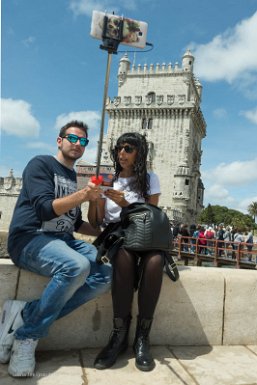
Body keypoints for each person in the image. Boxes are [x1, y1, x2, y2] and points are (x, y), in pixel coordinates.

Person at [0, 120, 112, 377]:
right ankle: (26, 337)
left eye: (83, 141)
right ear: (59, 141)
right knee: (76, 266)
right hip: (29, 239)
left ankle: (25, 312)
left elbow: (74, 222)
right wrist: (83, 195)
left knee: (105, 275)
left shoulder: (72, 177)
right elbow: (43, 209)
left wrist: (108, 232)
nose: (78, 144)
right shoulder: (40, 164)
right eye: (73, 138)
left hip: (62, 240)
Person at [88, 132, 162, 372]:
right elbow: (96, 221)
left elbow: (150, 217)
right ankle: (118, 335)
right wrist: (95, 199)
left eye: (128, 149)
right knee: (122, 256)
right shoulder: (108, 178)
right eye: (119, 148)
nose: (122, 153)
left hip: (143, 234)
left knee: (155, 261)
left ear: (139, 152)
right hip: (116, 236)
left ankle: (142, 337)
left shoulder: (150, 179)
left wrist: (126, 205)